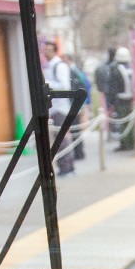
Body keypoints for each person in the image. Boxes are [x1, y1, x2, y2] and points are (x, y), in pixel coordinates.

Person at [43, 40, 80, 176]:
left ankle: (67, 167)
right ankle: (64, 166)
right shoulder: (50, 66)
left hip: (60, 108)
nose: (45, 52)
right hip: (54, 108)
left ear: (54, 50)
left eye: (48, 50)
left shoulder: (59, 66)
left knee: (62, 138)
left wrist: (47, 83)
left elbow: (65, 86)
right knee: (59, 138)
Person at [98, 46, 135, 151]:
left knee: (123, 123)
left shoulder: (115, 69)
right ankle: (131, 142)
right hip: (130, 99)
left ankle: (126, 144)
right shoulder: (130, 67)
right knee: (130, 122)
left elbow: (112, 87)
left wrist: (112, 102)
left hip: (120, 99)